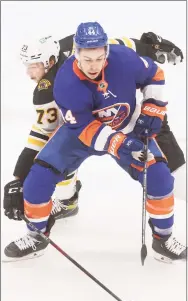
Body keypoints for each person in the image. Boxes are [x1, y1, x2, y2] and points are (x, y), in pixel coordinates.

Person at [4, 22, 186, 263]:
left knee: (160, 177)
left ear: (106, 52)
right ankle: (37, 234)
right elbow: (83, 127)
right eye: (87, 59)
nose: (94, 66)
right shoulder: (64, 83)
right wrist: (19, 177)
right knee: (38, 178)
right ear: (76, 54)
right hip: (80, 134)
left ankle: (163, 239)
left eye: (99, 58)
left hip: (127, 125)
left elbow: (154, 73)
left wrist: (153, 108)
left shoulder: (122, 57)